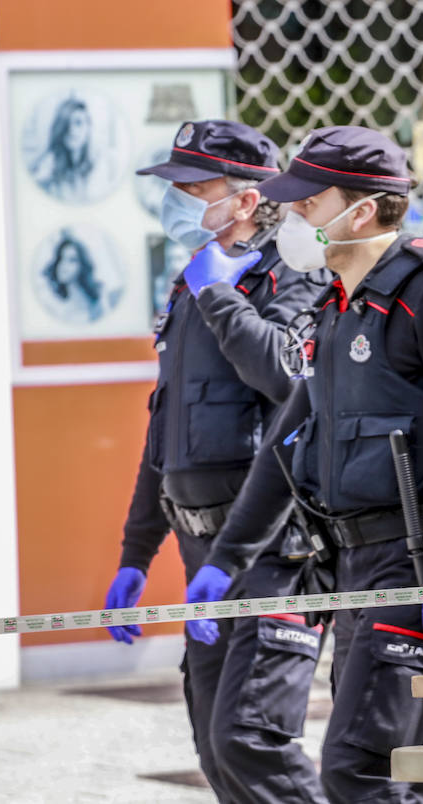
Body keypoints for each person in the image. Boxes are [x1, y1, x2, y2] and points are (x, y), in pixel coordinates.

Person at [187, 126, 423, 803]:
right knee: (397, 769)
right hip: (354, 561)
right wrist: (228, 559)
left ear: (361, 210)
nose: (296, 216)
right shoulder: (339, 305)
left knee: (361, 765)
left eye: (310, 203)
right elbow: (286, 449)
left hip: (420, 559)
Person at [99, 120, 329, 803]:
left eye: (193, 188)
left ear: (248, 200)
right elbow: (164, 429)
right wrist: (136, 554)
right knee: (215, 751)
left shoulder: (292, 274)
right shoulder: (189, 287)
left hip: (270, 549)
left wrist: (220, 293)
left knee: (250, 742)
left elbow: (286, 378)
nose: (177, 202)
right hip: (202, 551)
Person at [30, 95, 95, 202]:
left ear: (89, 127)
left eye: (78, 123)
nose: (72, 130)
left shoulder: (96, 167)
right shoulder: (48, 166)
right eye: (66, 123)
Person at [42, 233, 105, 322]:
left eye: (72, 260)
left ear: (82, 265)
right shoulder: (63, 313)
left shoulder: (102, 293)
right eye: (60, 258)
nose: (63, 265)